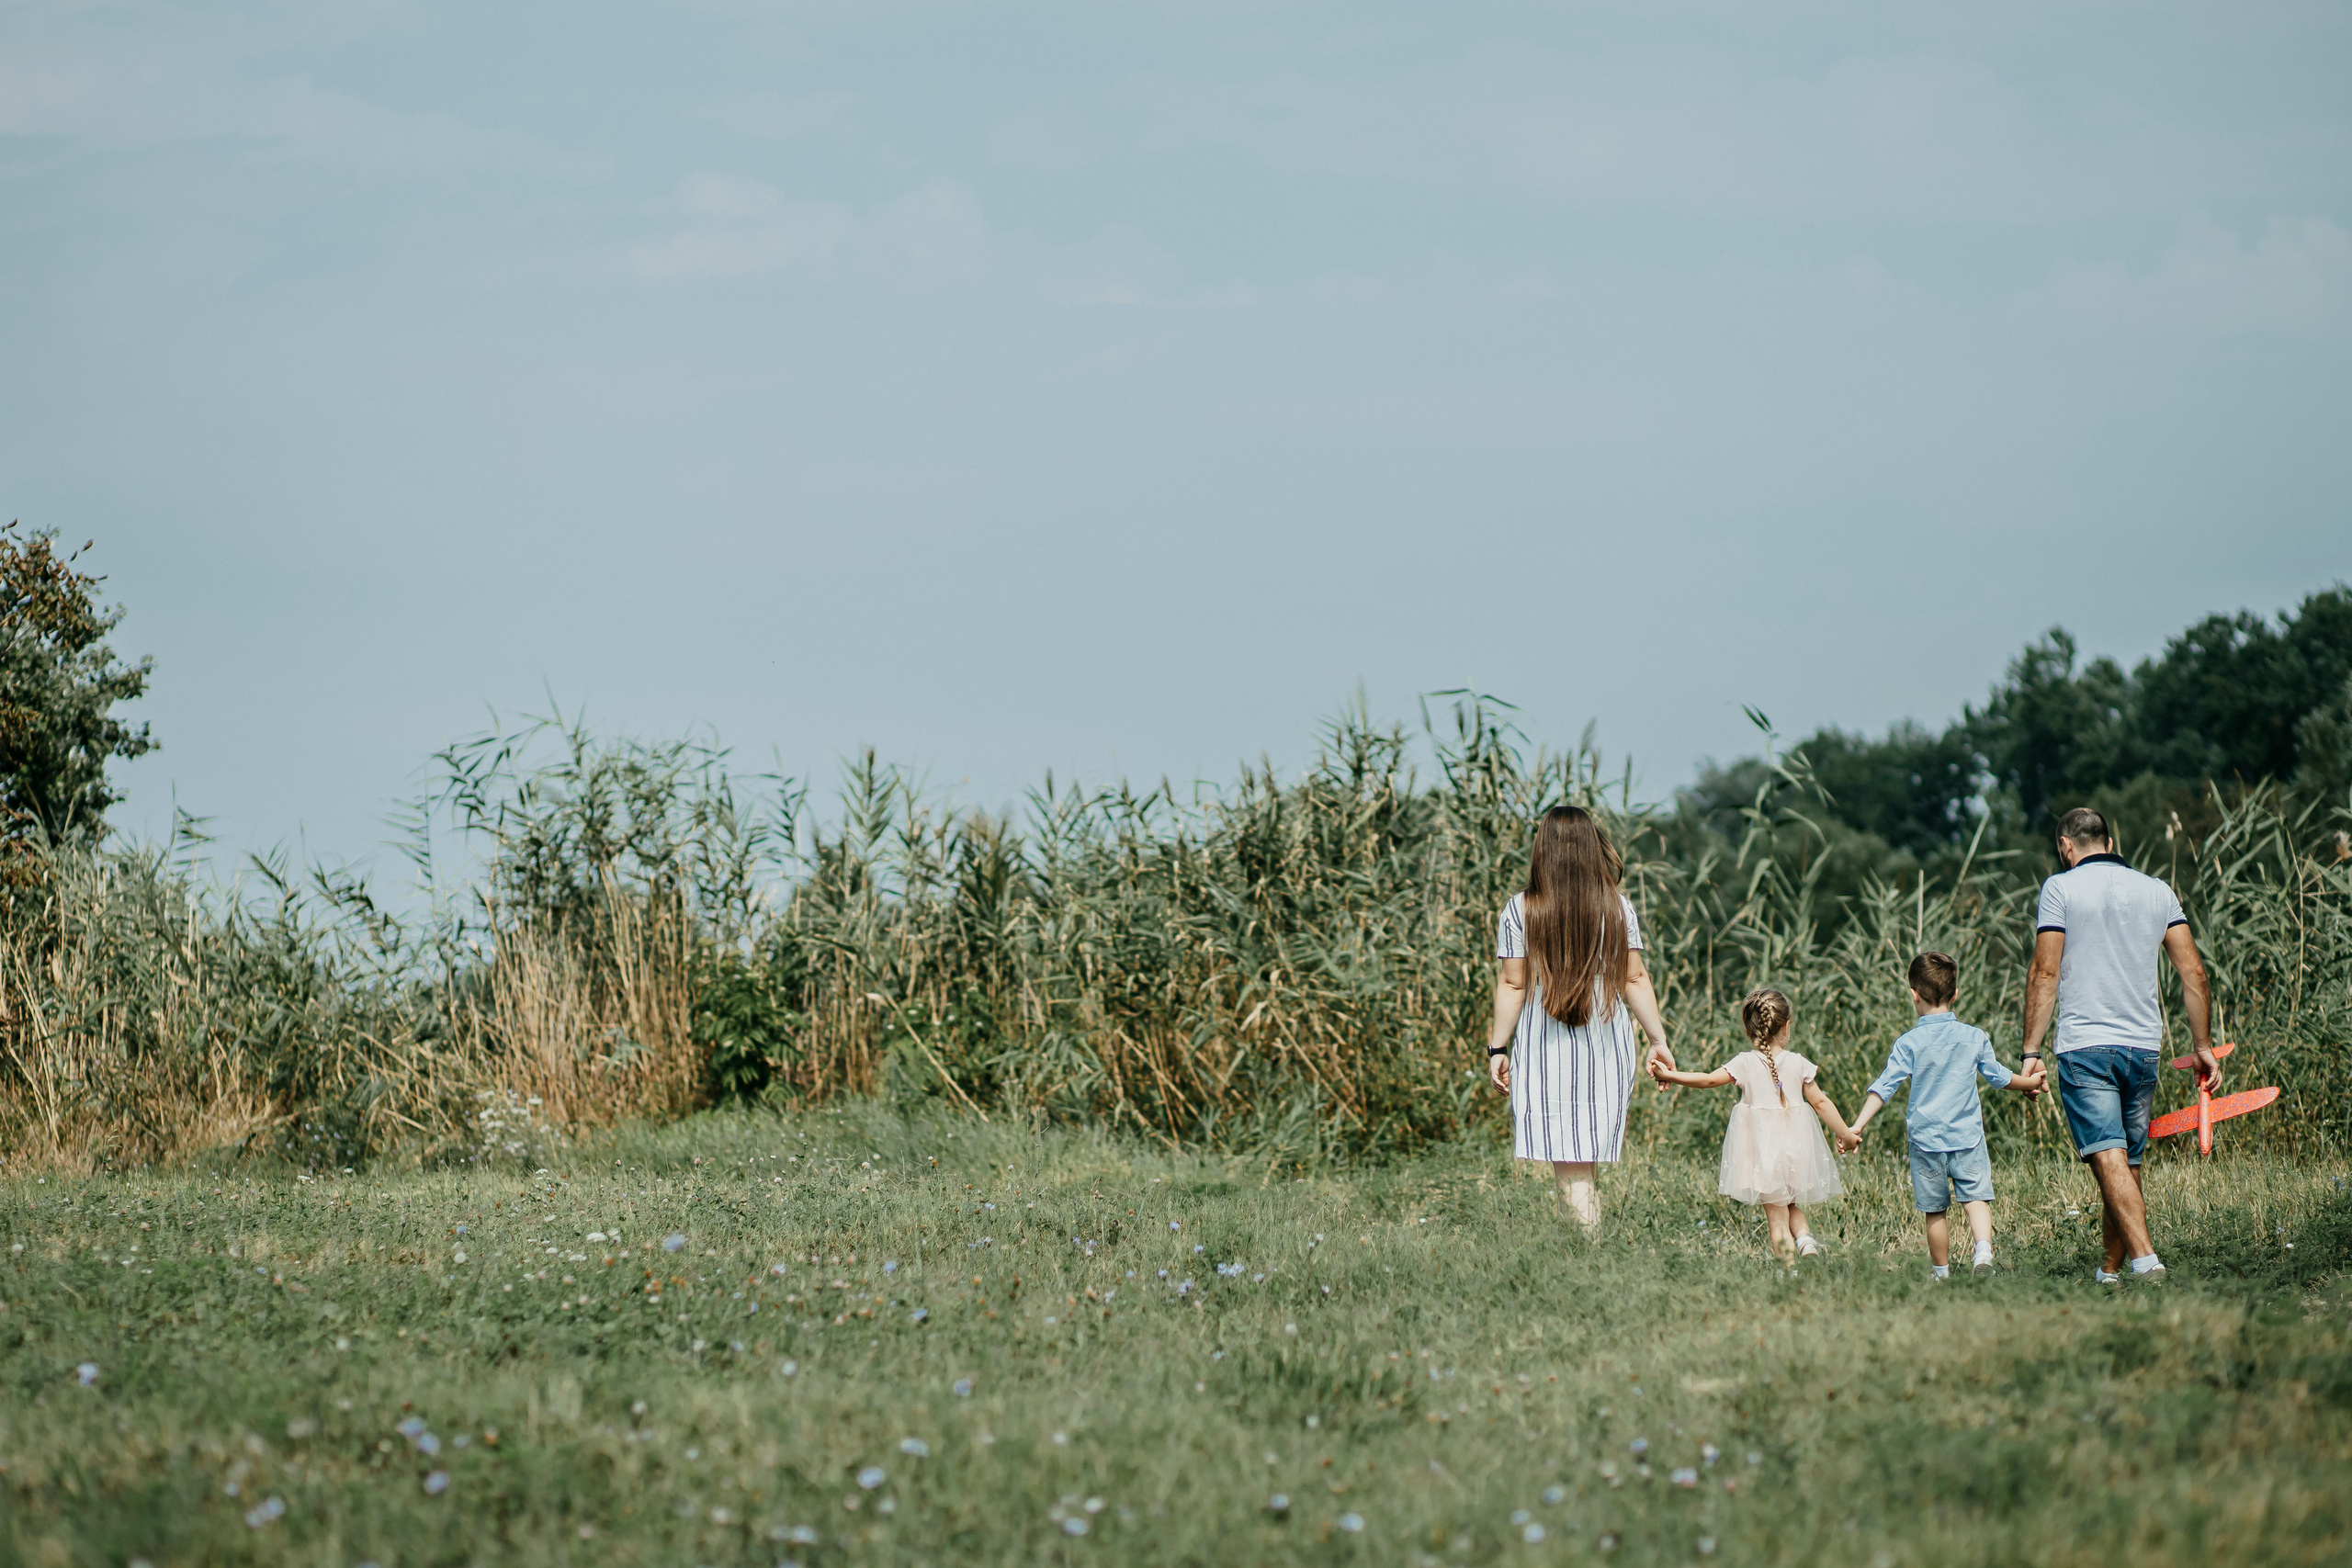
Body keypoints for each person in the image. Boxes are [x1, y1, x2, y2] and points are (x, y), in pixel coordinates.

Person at [2022, 806, 2221, 1286]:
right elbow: (2193, 972)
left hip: (2086, 1046)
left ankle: (2147, 1262)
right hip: (2142, 1048)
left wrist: (2030, 1050)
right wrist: (2203, 1044)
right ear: (2109, 843)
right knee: (2125, 1162)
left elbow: (2045, 972)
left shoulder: (2060, 888)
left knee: (2108, 1158)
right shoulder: (2159, 891)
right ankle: (2110, 1270)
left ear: (2066, 846)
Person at [1487, 805, 1676, 1232]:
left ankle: (1583, 1255)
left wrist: (1498, 1047)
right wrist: (1657, 1039)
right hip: (1605, 1042)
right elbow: (1635, 978)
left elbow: (1513, 985)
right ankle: (1579, 1249)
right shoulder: (1617, 908)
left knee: (1571, 1165)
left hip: (1544, 1042)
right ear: (1592, 847)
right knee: (1579, 1160)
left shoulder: (1520, 910)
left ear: (1543, 850)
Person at [1843, 951, 2045, 1280]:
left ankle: (1941, 1273)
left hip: (1926, 1143)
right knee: (1976, 1199)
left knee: (1935, 1210)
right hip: (1967, 1138)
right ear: (1955, 994)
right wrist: (2030, 1082)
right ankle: (1983, 1251)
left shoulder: (1908, 1043)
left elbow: (1884, 1088)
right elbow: (1999, 1077)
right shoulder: (1974, 1037)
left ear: (1914, 995)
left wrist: (1857, 1125)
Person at [1650, 988, 1852, 1261]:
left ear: (1749, 1030)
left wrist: (1671, 1076)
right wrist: (1846, 1135)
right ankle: (1805, 1240)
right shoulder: (1798, 1063)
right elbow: (1821, 1103)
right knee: (1791, 1202)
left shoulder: (1744, 1063)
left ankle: (1789, 1273)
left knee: (1777, 1219)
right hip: (1796, 1149)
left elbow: (1708, 1080)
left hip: (1765, 1154)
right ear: (1786, 1026)